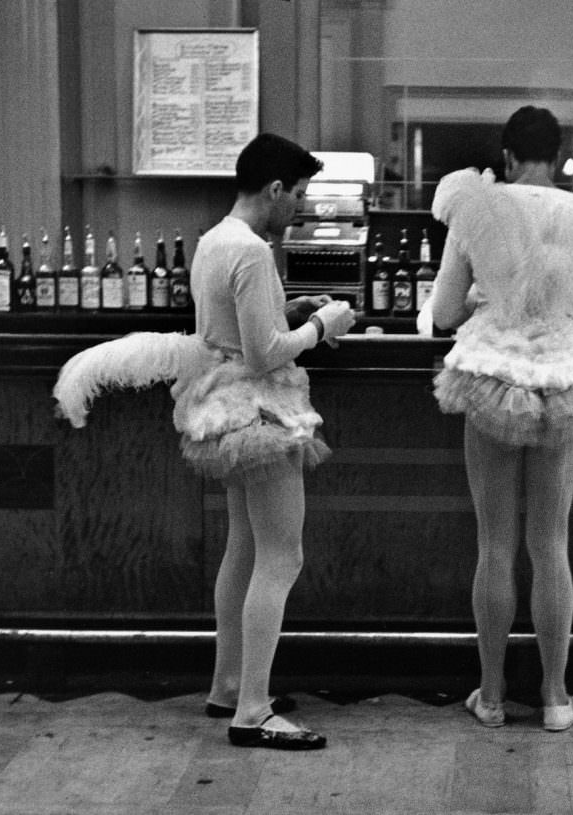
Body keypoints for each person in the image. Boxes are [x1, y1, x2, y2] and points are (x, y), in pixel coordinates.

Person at [52, 133, 355, 748]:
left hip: (222, 407)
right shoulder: (254, 253)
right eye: (298, 195)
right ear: (275, 189)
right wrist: (325, 325)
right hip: (260, 411)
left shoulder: (217, 239)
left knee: (242, 548)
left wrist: (290, 309)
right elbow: (265, 355)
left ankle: (229, 685)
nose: (300, 207)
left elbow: (232, 330)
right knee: (283, 556)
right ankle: (253, 711)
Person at [430, 106, 573, 732]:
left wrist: (484, 297)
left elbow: (444, 313)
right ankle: (557, 699)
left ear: (506, 157)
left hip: (492, 371)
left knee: (494, 545)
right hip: (563, 377)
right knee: (550, 544)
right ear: (558, 158)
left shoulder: (478, 210)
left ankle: (490, 696)